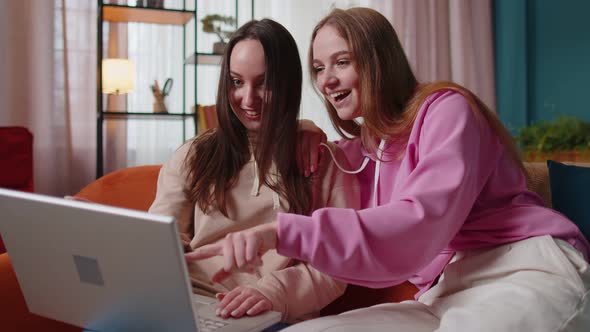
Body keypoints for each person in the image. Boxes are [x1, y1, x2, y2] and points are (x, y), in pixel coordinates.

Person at [186, 7, 590, 332]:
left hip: (522, 268)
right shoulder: (360, 152)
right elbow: (325, 160)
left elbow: (417, 222)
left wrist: (281, 232)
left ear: (378, 60)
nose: (326, 80)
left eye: (341, 61)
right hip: (440, 292)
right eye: (319, 68)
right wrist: (300, 129)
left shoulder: (448, 110)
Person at [148, 18, 359, 324]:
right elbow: (160, 238)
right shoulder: (193, 154)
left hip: (269, 313)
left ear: (288, 83)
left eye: (264, 83)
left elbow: (335, 266)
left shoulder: (325, 162)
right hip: (188, 301)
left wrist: (269, 293)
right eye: (236, 82)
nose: (248, 99)